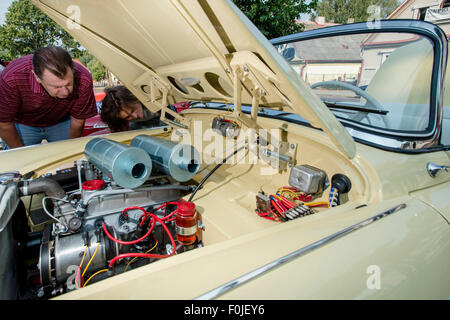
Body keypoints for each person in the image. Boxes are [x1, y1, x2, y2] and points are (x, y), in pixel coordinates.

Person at [0, 47, 97, 150]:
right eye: (56, 87)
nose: (65, 92)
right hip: (23, 123)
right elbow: (4, 123)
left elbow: (78, 121)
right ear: (37, 77)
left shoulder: (84, 79)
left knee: (68, 159)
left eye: (68, 84)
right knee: (20, 163)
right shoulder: (12, 78)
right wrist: (19, 153)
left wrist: (70, 150)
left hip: (62, 121)